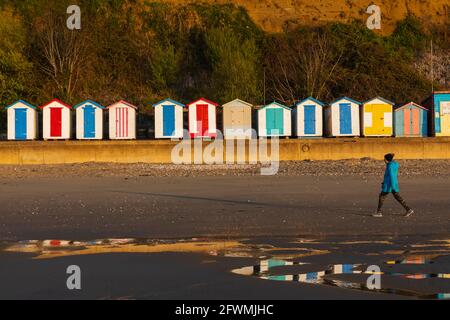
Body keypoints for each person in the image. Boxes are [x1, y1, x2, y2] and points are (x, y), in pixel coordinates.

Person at [373, 153, 414, 218]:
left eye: (384, 159)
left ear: (387, 160)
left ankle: (379, 212)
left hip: (389, 185)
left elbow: (392, 176)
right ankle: (409, 209)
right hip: (393, 184)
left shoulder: (390, 166)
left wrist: (393, 186)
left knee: (382, 197)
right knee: (398, 197)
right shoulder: (394, 164)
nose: (384, 160)